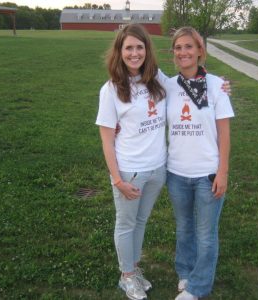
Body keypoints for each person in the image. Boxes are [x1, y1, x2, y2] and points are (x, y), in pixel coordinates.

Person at [95, 23, 167, 300]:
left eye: (140, 47)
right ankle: (126, 276)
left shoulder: (157, 78)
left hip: (158, 168)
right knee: (126, 224)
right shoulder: (111, 89)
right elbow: (106, 140)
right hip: (130, 171)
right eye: (129, 48)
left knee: (141, 221)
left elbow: (187, 87)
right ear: (120, 51)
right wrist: (118, 180)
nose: (135, 53)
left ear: (147, 50)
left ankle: (134, 269)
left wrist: (217, 85)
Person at [165, 27, 234, 300]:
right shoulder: (168, 85)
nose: (183, 52)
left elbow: (225, 133)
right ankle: (185, 273)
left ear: (200, 51)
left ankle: (198, 287)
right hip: (177, 174)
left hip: (208, 174)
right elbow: (138, 94)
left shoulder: (217, 85)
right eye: (178, 47)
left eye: (189, 47)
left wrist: (223, 172)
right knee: (184, 229)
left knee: (206, 235)